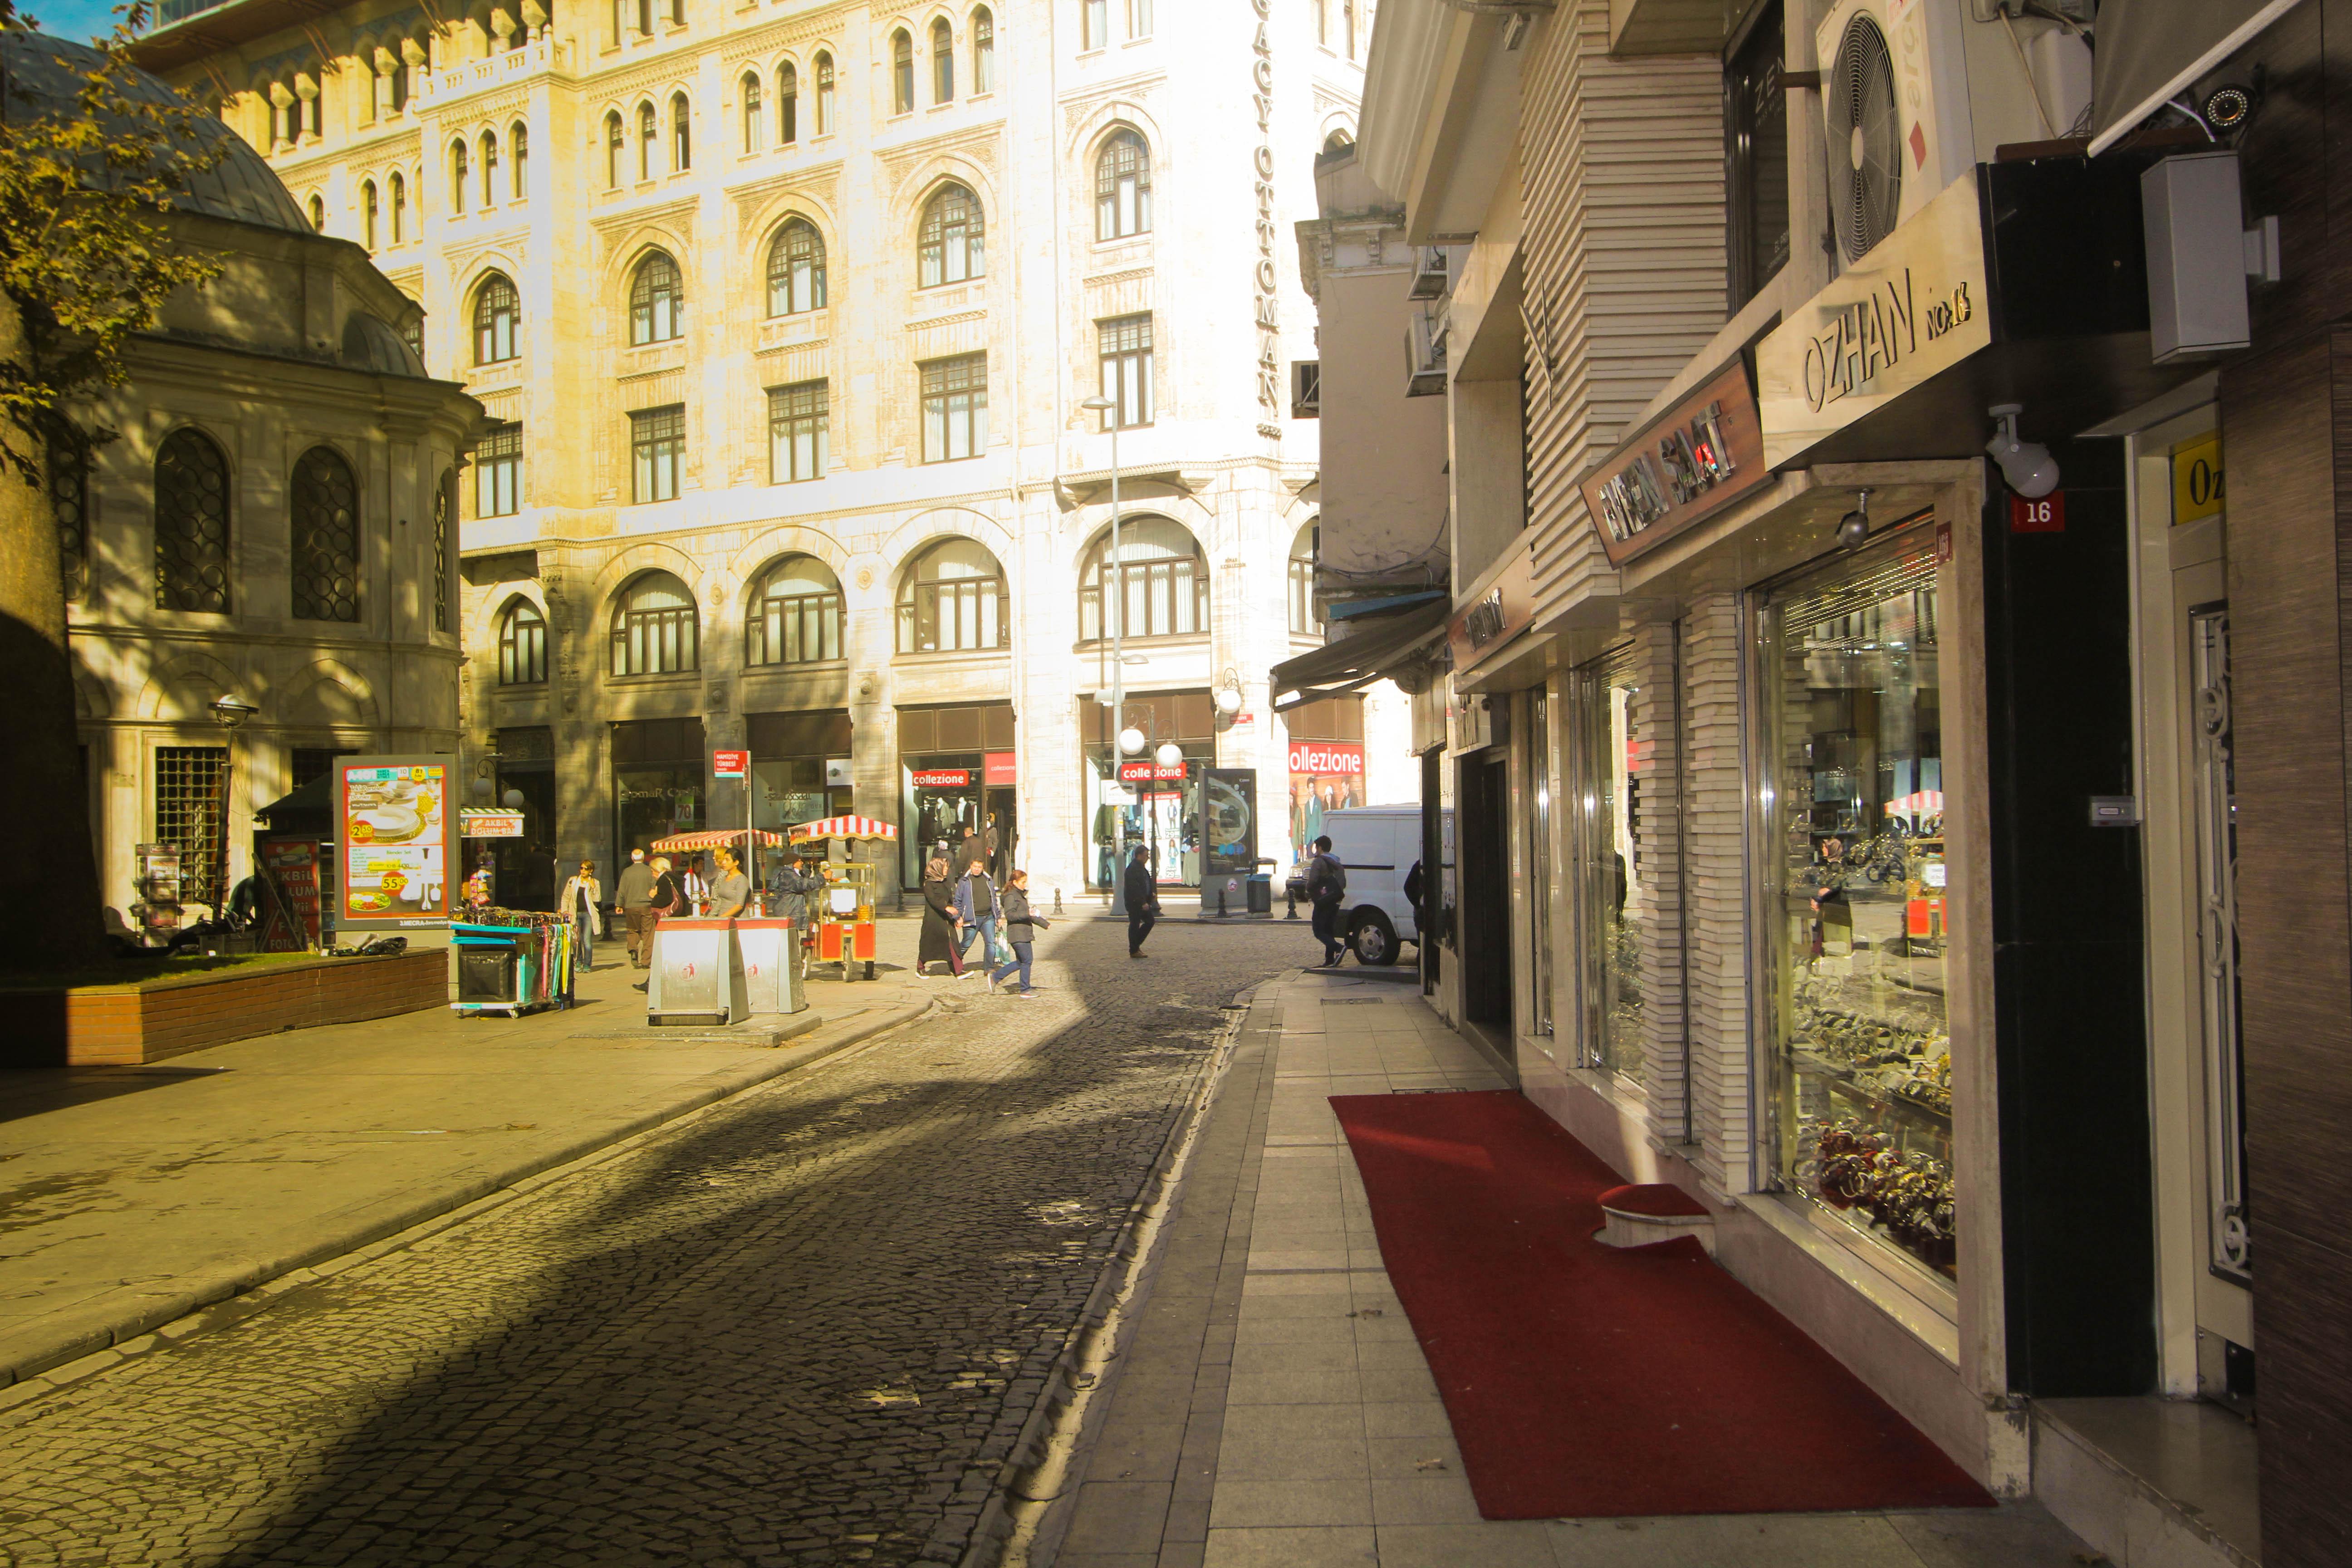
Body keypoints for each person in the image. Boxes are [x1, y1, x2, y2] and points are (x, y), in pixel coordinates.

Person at [988, 868, 1048, 996]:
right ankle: (1025, 989)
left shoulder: (1019, 896)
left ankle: (995, 978)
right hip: (1018, 934)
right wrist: (1027, 913)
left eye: (1025, 882)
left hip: (1023, 933)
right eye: (1023, 882)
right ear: (1015, 882)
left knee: (1022, 962)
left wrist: (1044, 924)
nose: (1025, 884)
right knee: (1027, 961)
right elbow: (1010, 915)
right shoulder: (1012, 896)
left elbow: (1029, 916)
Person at [917, 855, 965, 978]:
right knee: (929, 944)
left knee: (952, 942)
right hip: (933, 920)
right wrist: (946, 907)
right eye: (944, 868)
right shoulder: (929, 884)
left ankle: (958, 969)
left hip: (946, 918)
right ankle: (920, 967)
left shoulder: (944, 883)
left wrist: (957, 916)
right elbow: (932, 899)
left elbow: (951, 901)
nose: (946, 870)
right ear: (937, 868)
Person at [1305, 833, 1348, 967]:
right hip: (1335, 900)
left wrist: (1308, 891)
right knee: (1329, 929)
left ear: (1321, 848)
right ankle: (1330, 959)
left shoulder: (1319, 862)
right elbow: (1343, 883)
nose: (1316, 851)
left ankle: (1339, 948)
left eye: (1316, 847)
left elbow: (1312, 881)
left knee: (1318, 930)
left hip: (1323, 901)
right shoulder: (1337, 862)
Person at [955, 860, 1002, 967]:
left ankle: (989, 968)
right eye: (975, 866)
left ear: (983, 868)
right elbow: (958, 900)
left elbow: (994, 899)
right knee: (967, 943)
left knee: (991, 943)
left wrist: (998, 917)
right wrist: (958, 917)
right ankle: (954, 962)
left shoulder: (989, 881)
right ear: (971, 866)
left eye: (979, 867)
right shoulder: (964, 881)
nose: (977, 869)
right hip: (972, 918)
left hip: (988, 917)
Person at [559, 860, 603, 970]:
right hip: (575, 913)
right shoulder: (573, 881)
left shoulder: (595, 882)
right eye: (582, 868)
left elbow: (597, 899)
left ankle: (587, 964)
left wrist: (594, 888)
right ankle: (578, 961)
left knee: (587, 940)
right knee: (577, 940)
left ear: (591, 871)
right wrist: (565, 911)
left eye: (586, 869)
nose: (583, 871)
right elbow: (566, 897)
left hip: (588, 914)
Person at [616, 848, 656, 968]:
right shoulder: (650, 871)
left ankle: (633, 949)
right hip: (647, 906)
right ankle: (646, 961)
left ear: (632, 858)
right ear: (644, 859)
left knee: (632, 930)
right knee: (648, 934)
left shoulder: (627, 872)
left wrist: (619, 905)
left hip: (631, 906)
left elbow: (622, 890)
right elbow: (654, 888)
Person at [1123, 844, 1161, 958]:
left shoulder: (1141, 868)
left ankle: (1135, 945)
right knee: (1135, 924)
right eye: (1146, 856)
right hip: (1135, 902)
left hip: (1143, 901)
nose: (1147, 858)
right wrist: (1142, 902)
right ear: (1139, 856)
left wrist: (1150, 895)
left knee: (1150, 921)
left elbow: (1145, 884)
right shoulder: (1133, 868)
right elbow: (1134, 887)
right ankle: (1134, 949)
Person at [709, 847, 752, 919]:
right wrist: (711, 916)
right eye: (724, 859)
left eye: (727, 860)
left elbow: (739, 906)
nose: (724, 862)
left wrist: (723, 917)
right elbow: (720, 900)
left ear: (736, 863)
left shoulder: (741, 880)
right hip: (723, 920)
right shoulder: (724, 878)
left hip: (737, 920)